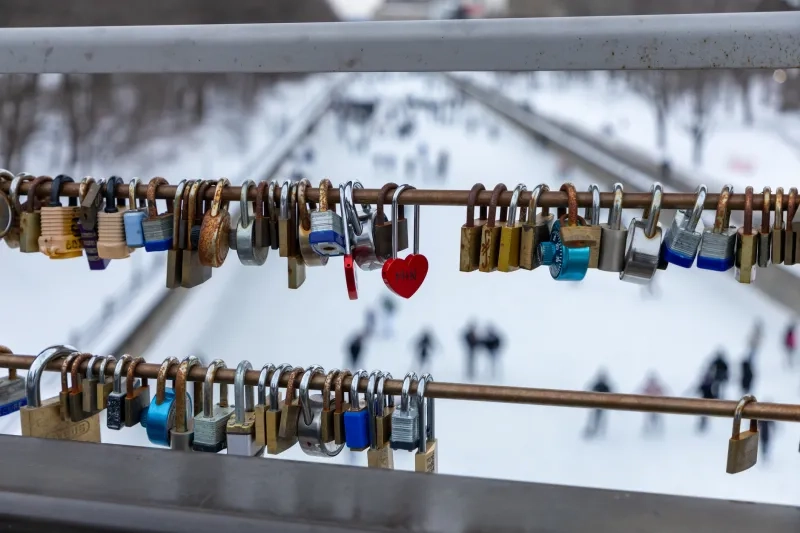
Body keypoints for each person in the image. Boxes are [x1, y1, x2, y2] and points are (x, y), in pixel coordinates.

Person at [584, 370, 612, 439]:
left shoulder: (603, 385)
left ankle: (597, 430)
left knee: (598, 418)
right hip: (597, 404)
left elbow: (611, 393)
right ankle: (593, 430)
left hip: (601, 405)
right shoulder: (600, 385)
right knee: (594, 417)